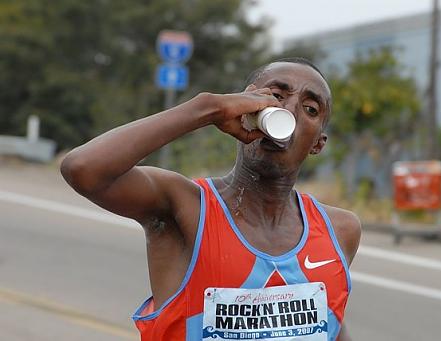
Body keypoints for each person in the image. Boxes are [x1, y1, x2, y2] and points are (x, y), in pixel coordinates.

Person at [61, 57, 361, 341]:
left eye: (310, 108)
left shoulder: (339, 230)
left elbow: (328, 323)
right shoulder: (185, 205)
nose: (290, 112)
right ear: (245, 107)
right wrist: (208, 108)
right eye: (275, 96)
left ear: (318, 144)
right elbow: (83, 169)